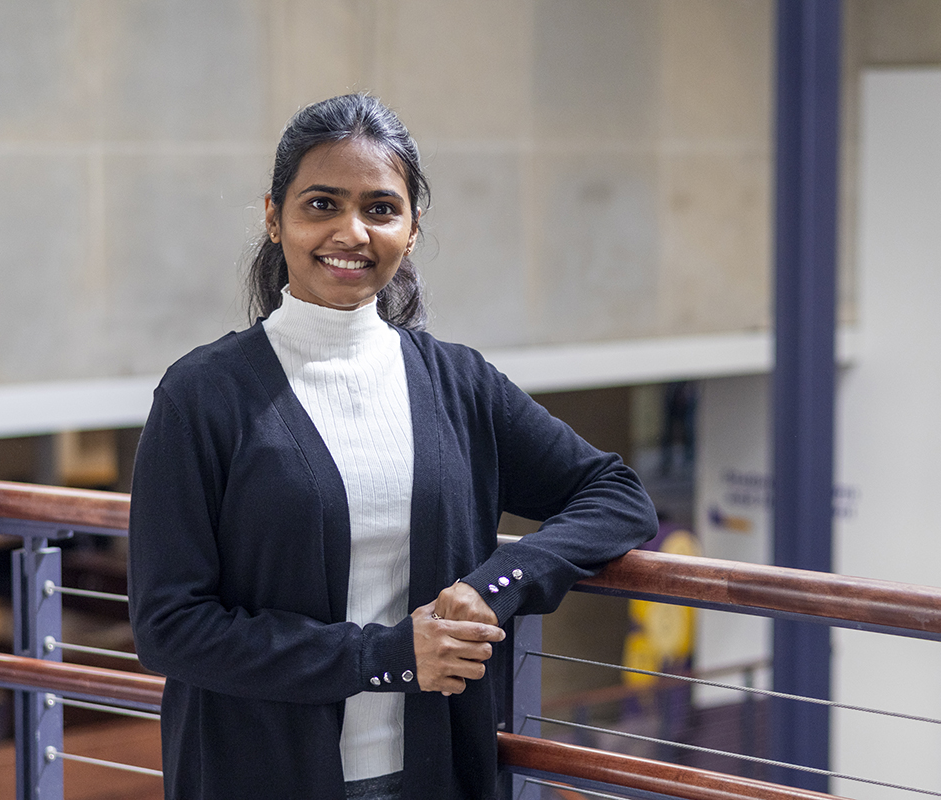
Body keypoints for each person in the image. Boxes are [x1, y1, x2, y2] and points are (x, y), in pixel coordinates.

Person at [127, 94, 658, 800]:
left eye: (380, 209)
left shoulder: (459, 384)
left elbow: (617, 496)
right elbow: (169, 627)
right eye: (322, 204)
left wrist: (496, 586)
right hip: (257, 774)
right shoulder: (202, 395)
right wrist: (383, 657)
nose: (351, 232)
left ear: (411, 231)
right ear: (274, 217)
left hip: (434, 776)